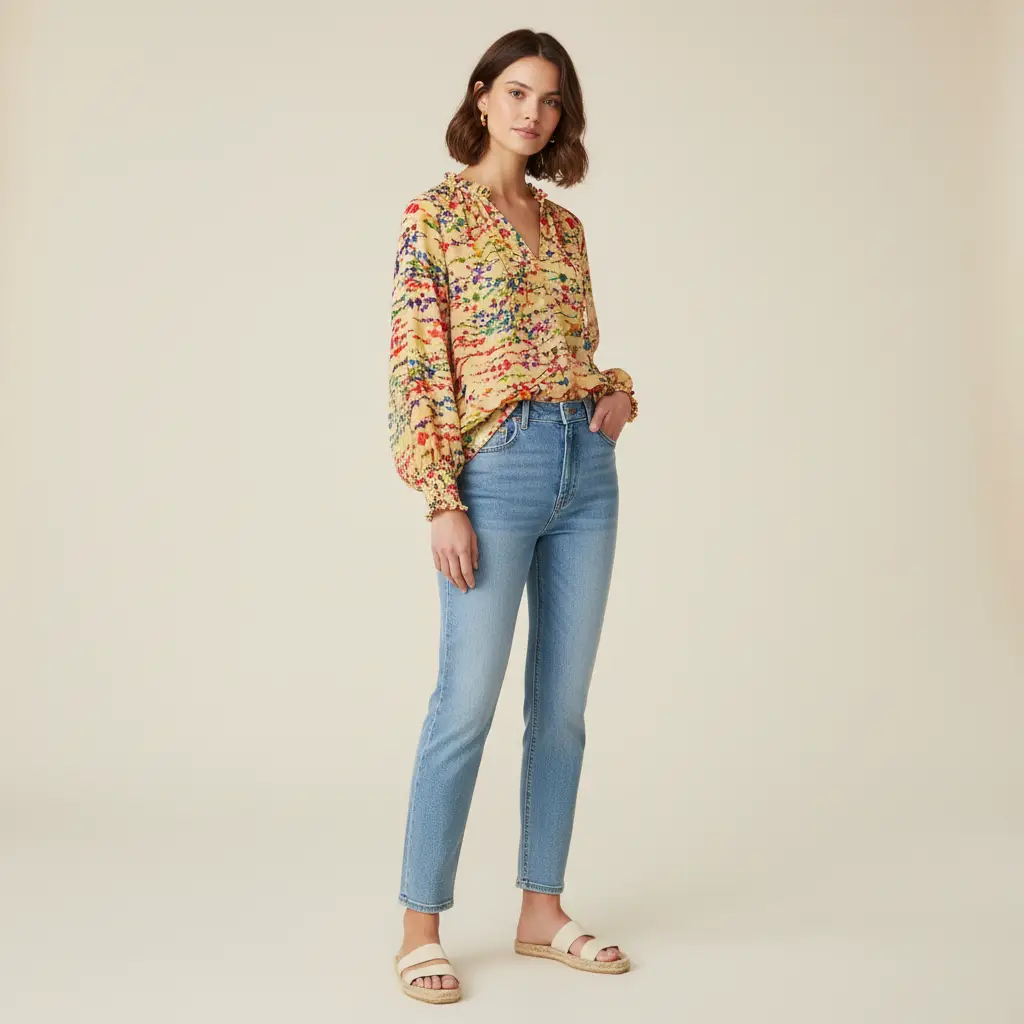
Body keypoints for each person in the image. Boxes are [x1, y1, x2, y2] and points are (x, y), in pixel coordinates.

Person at [387, 28, 638, 1004]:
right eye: (519, 92)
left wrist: (616, 391)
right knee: (465, 703)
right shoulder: (435, 215)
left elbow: (577, 348)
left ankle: (541, 909)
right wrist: (442, 498)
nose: (535, 112)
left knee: (563, 709)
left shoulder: (564, 228)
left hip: (586, 471)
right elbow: (418, 366)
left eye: (552, 99)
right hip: (494, 471)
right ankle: (420, 925)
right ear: (483, 96)